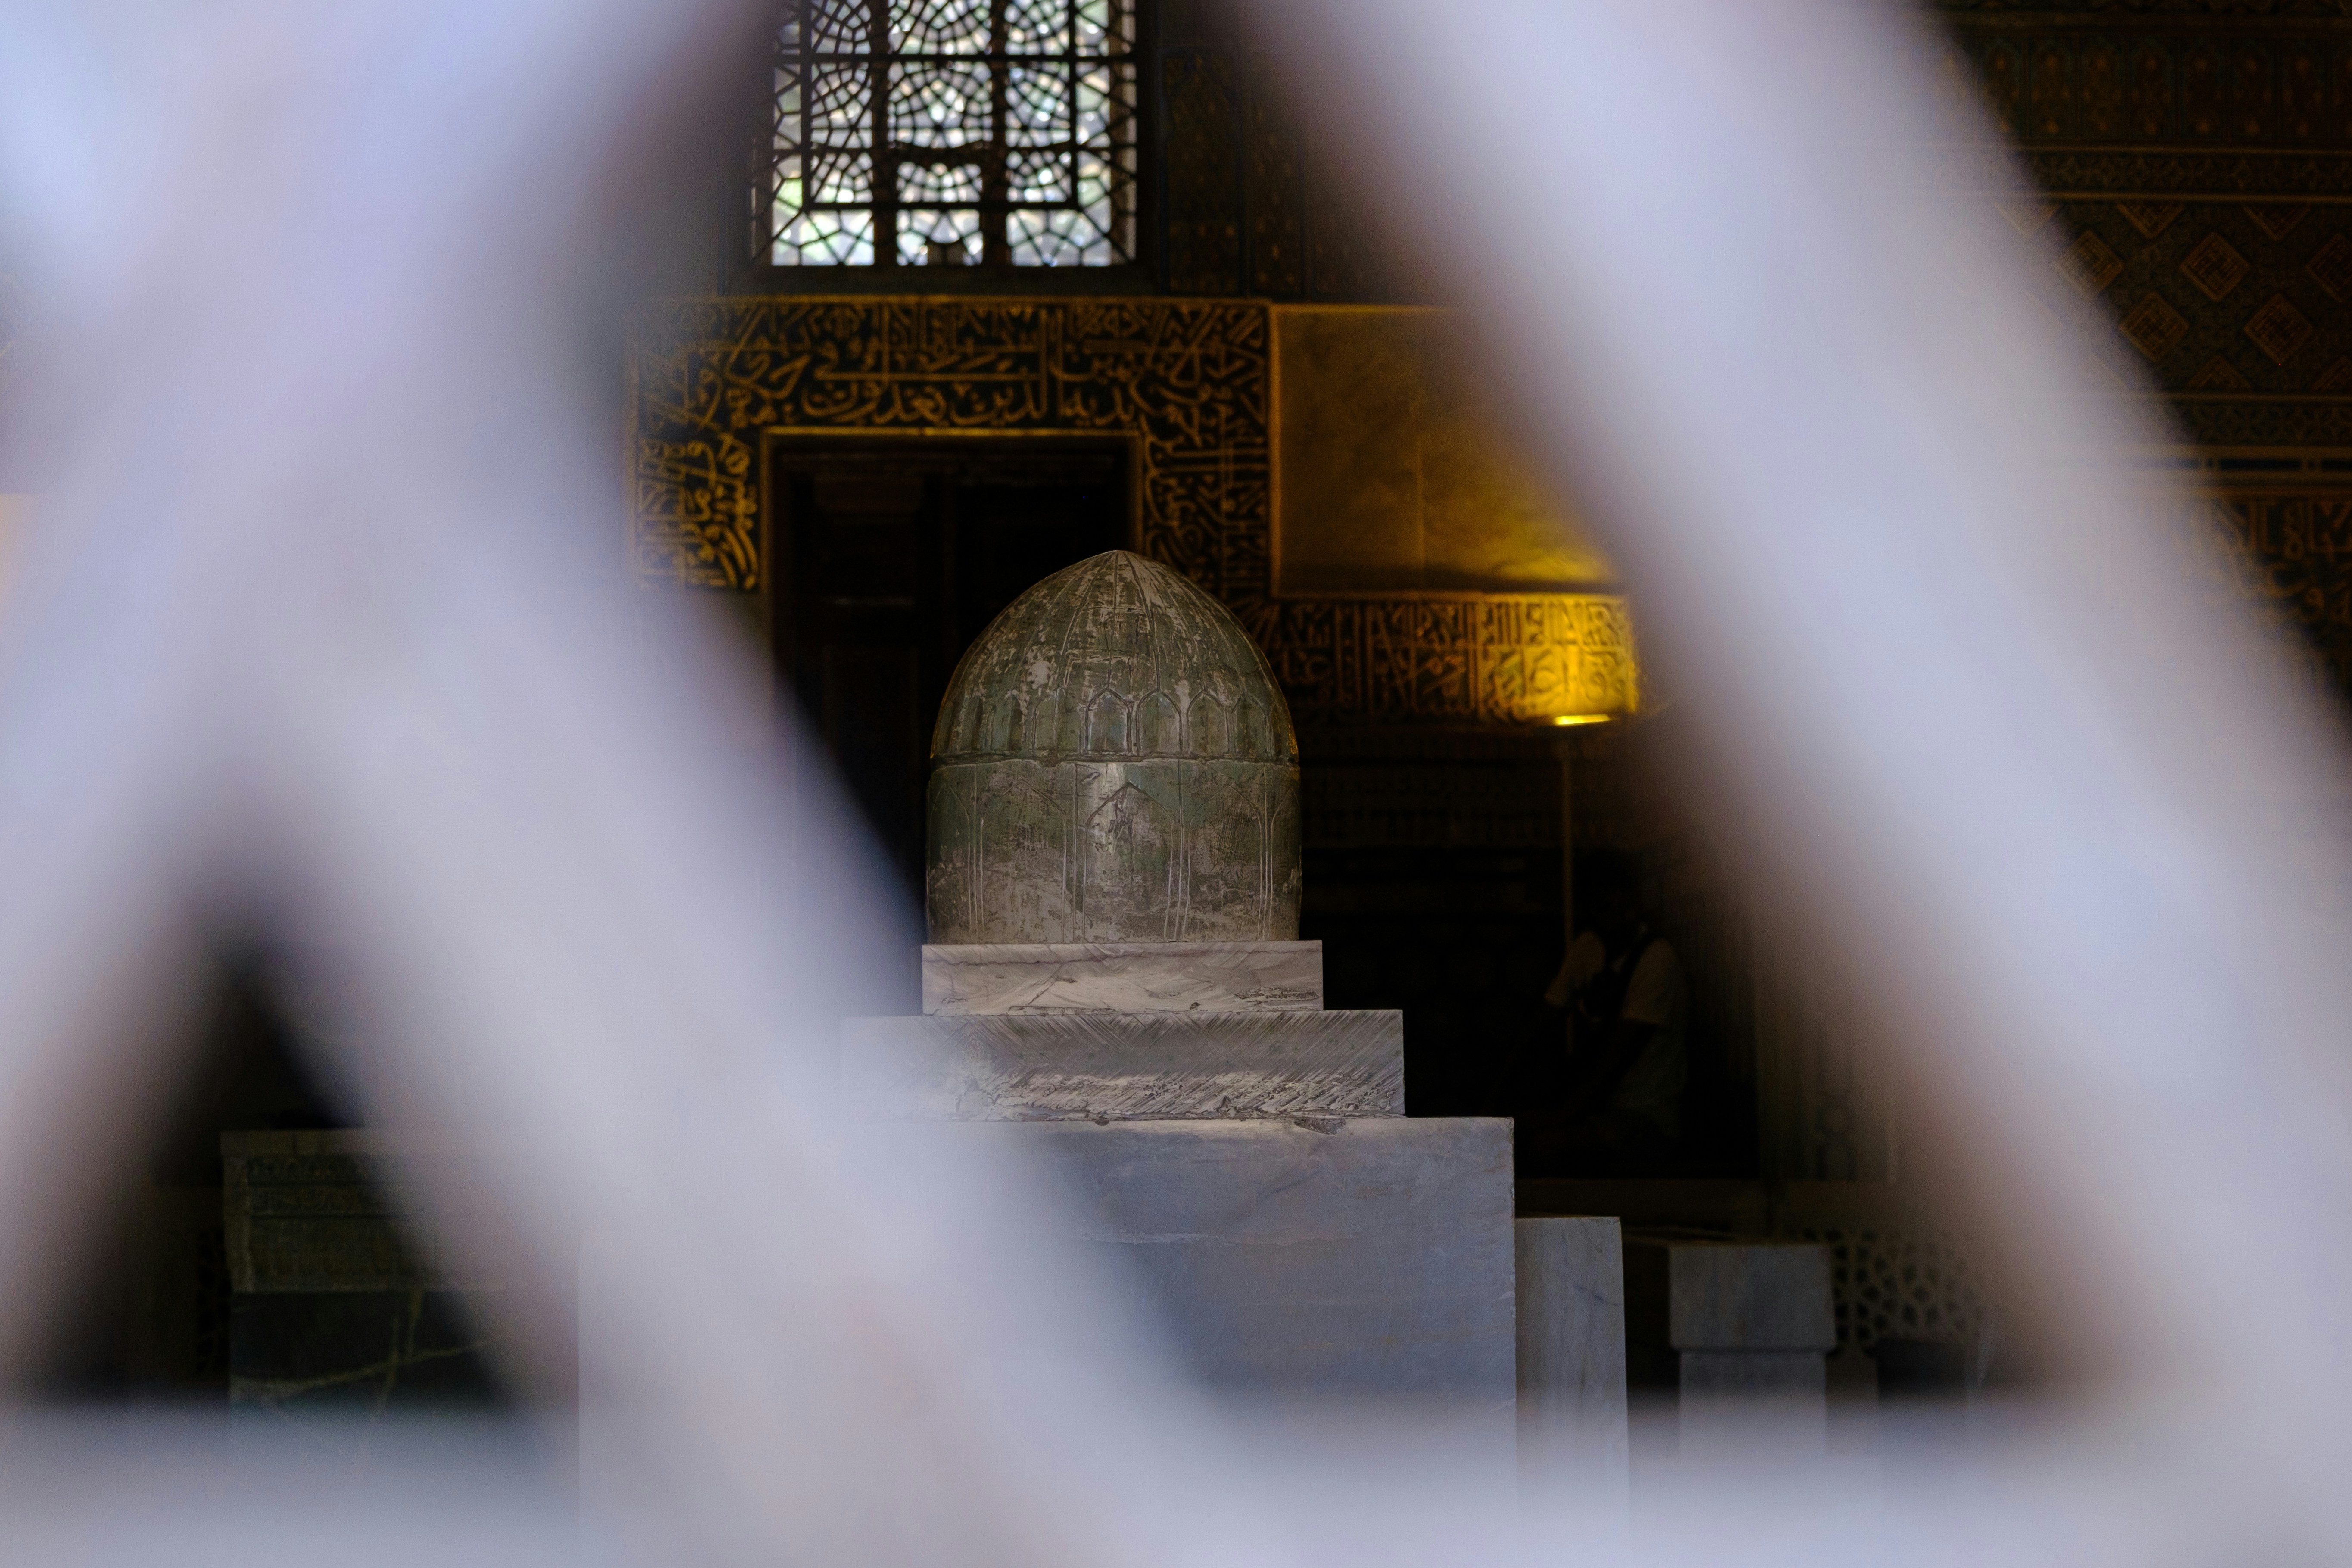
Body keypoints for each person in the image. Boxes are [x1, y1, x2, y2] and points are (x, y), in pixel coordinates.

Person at [1527, 849, 1688, 1169]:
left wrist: (1561, 1116)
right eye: (1604, 904)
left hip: (1646, 1115)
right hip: (1600, 1108)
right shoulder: (1588, 947)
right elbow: (1543, 1025)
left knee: (1546, 1148)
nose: (1619, 913)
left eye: (1626, 903)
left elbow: (1618, 1056)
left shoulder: (1657, 958)